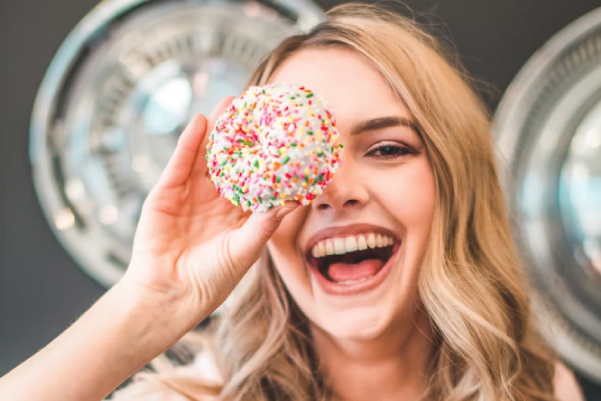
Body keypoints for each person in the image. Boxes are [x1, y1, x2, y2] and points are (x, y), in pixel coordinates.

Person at [0, 3, 585, 401]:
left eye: (385, 147)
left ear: (454, 180)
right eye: (297, 159)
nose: (333, 188)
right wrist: (151, 303)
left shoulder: (534, 386)